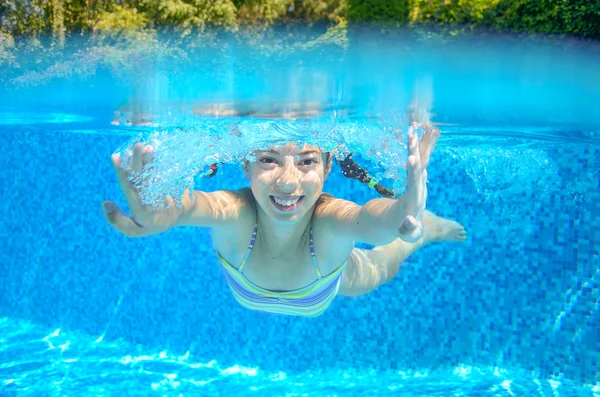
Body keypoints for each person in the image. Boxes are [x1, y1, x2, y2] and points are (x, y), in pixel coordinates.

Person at [102, 125, 466, 317]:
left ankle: (429, 225)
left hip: (324, 288)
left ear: (327, 166)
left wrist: (406, 208)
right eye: (268, 160)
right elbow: (194, 205)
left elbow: (372, 220)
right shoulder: (237, 213)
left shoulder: (329, 221)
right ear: (245, 164)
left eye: (306, 161)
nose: (287, 181)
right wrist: (164, 213)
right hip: (291, 286)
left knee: (386, 259)